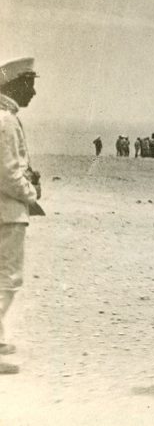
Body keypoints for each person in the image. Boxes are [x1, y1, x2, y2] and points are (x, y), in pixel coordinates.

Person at [0, 57, 41, 374]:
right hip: (7, 212)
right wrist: (32, 194)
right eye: (30, 84)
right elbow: (9, 175)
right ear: (14, 84)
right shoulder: (6, 120)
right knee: (7, 280)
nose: (34, 92)